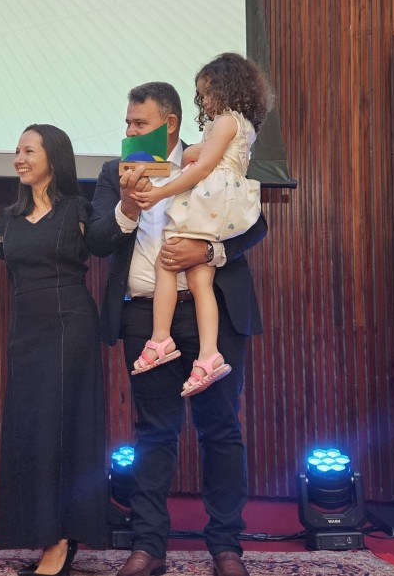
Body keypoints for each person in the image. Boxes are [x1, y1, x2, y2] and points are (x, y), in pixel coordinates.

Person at [84, 77, 270, 576]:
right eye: (127, 123)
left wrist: (208, 251)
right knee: (153, 433)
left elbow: (255, 224)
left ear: (169, 124)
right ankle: (148, 548)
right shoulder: (114, 173)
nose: (129, 131)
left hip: (214, 313)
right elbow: (98, 240)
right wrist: (127, 206)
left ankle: (226, 547)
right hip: (145, 317)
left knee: (221, 429)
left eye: (138, 123)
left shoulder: (212, 155)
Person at [0, 124, 109, 576]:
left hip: (70, 325)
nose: (19, 159)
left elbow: (109, 240)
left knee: (64, 429)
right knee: (31, 431)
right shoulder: (8, 220)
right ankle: (42, 532)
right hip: (26, 332)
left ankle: (62, 539)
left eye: (29, 151)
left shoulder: (78, 209)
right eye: (17, 151)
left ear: (53, 159)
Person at [128, 53, 272, 398]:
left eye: (207, 93)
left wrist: (161, 190)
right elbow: (204, 156)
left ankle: (161, 339)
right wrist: (193, 153)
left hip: (212, 201)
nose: (203, 101)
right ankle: (207, 355)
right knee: (198, 278)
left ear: (226, 88)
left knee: (167, 260)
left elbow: (203, 166)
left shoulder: (225, 122)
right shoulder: (239, 126)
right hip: (224, 202)